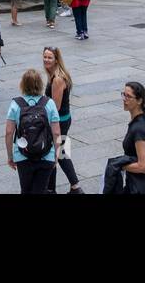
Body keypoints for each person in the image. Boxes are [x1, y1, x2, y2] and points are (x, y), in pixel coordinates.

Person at [4, 68, 62, 195]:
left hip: (23, 154)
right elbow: (57, 132)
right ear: (40, 84)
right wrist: (57, 155)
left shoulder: (16, 104)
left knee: (26, 190)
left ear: (23, 84)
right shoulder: (49, 103)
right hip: (46, 154)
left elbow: (9, 132)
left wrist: (10, 156)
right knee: (41, 190)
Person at [43, 47, 83, 193]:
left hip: (59, 121)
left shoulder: (57, 79)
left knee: (56, 153)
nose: (46, 60)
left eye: (50, 57)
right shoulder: (56, 74)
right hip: (63, 119)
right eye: (45, 57)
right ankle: (72, 187)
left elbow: (55, 107)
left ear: (56, 59)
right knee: (59, 153)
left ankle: (66, 187)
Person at [115, 81, 145, 194]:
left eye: (129, 96)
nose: (124, 99)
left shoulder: (139, 128)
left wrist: (119, 166)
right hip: (136, 183)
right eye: (124, 94)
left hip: (141, 186)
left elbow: (143, 166)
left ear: (139, 101)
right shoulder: (140, 119)